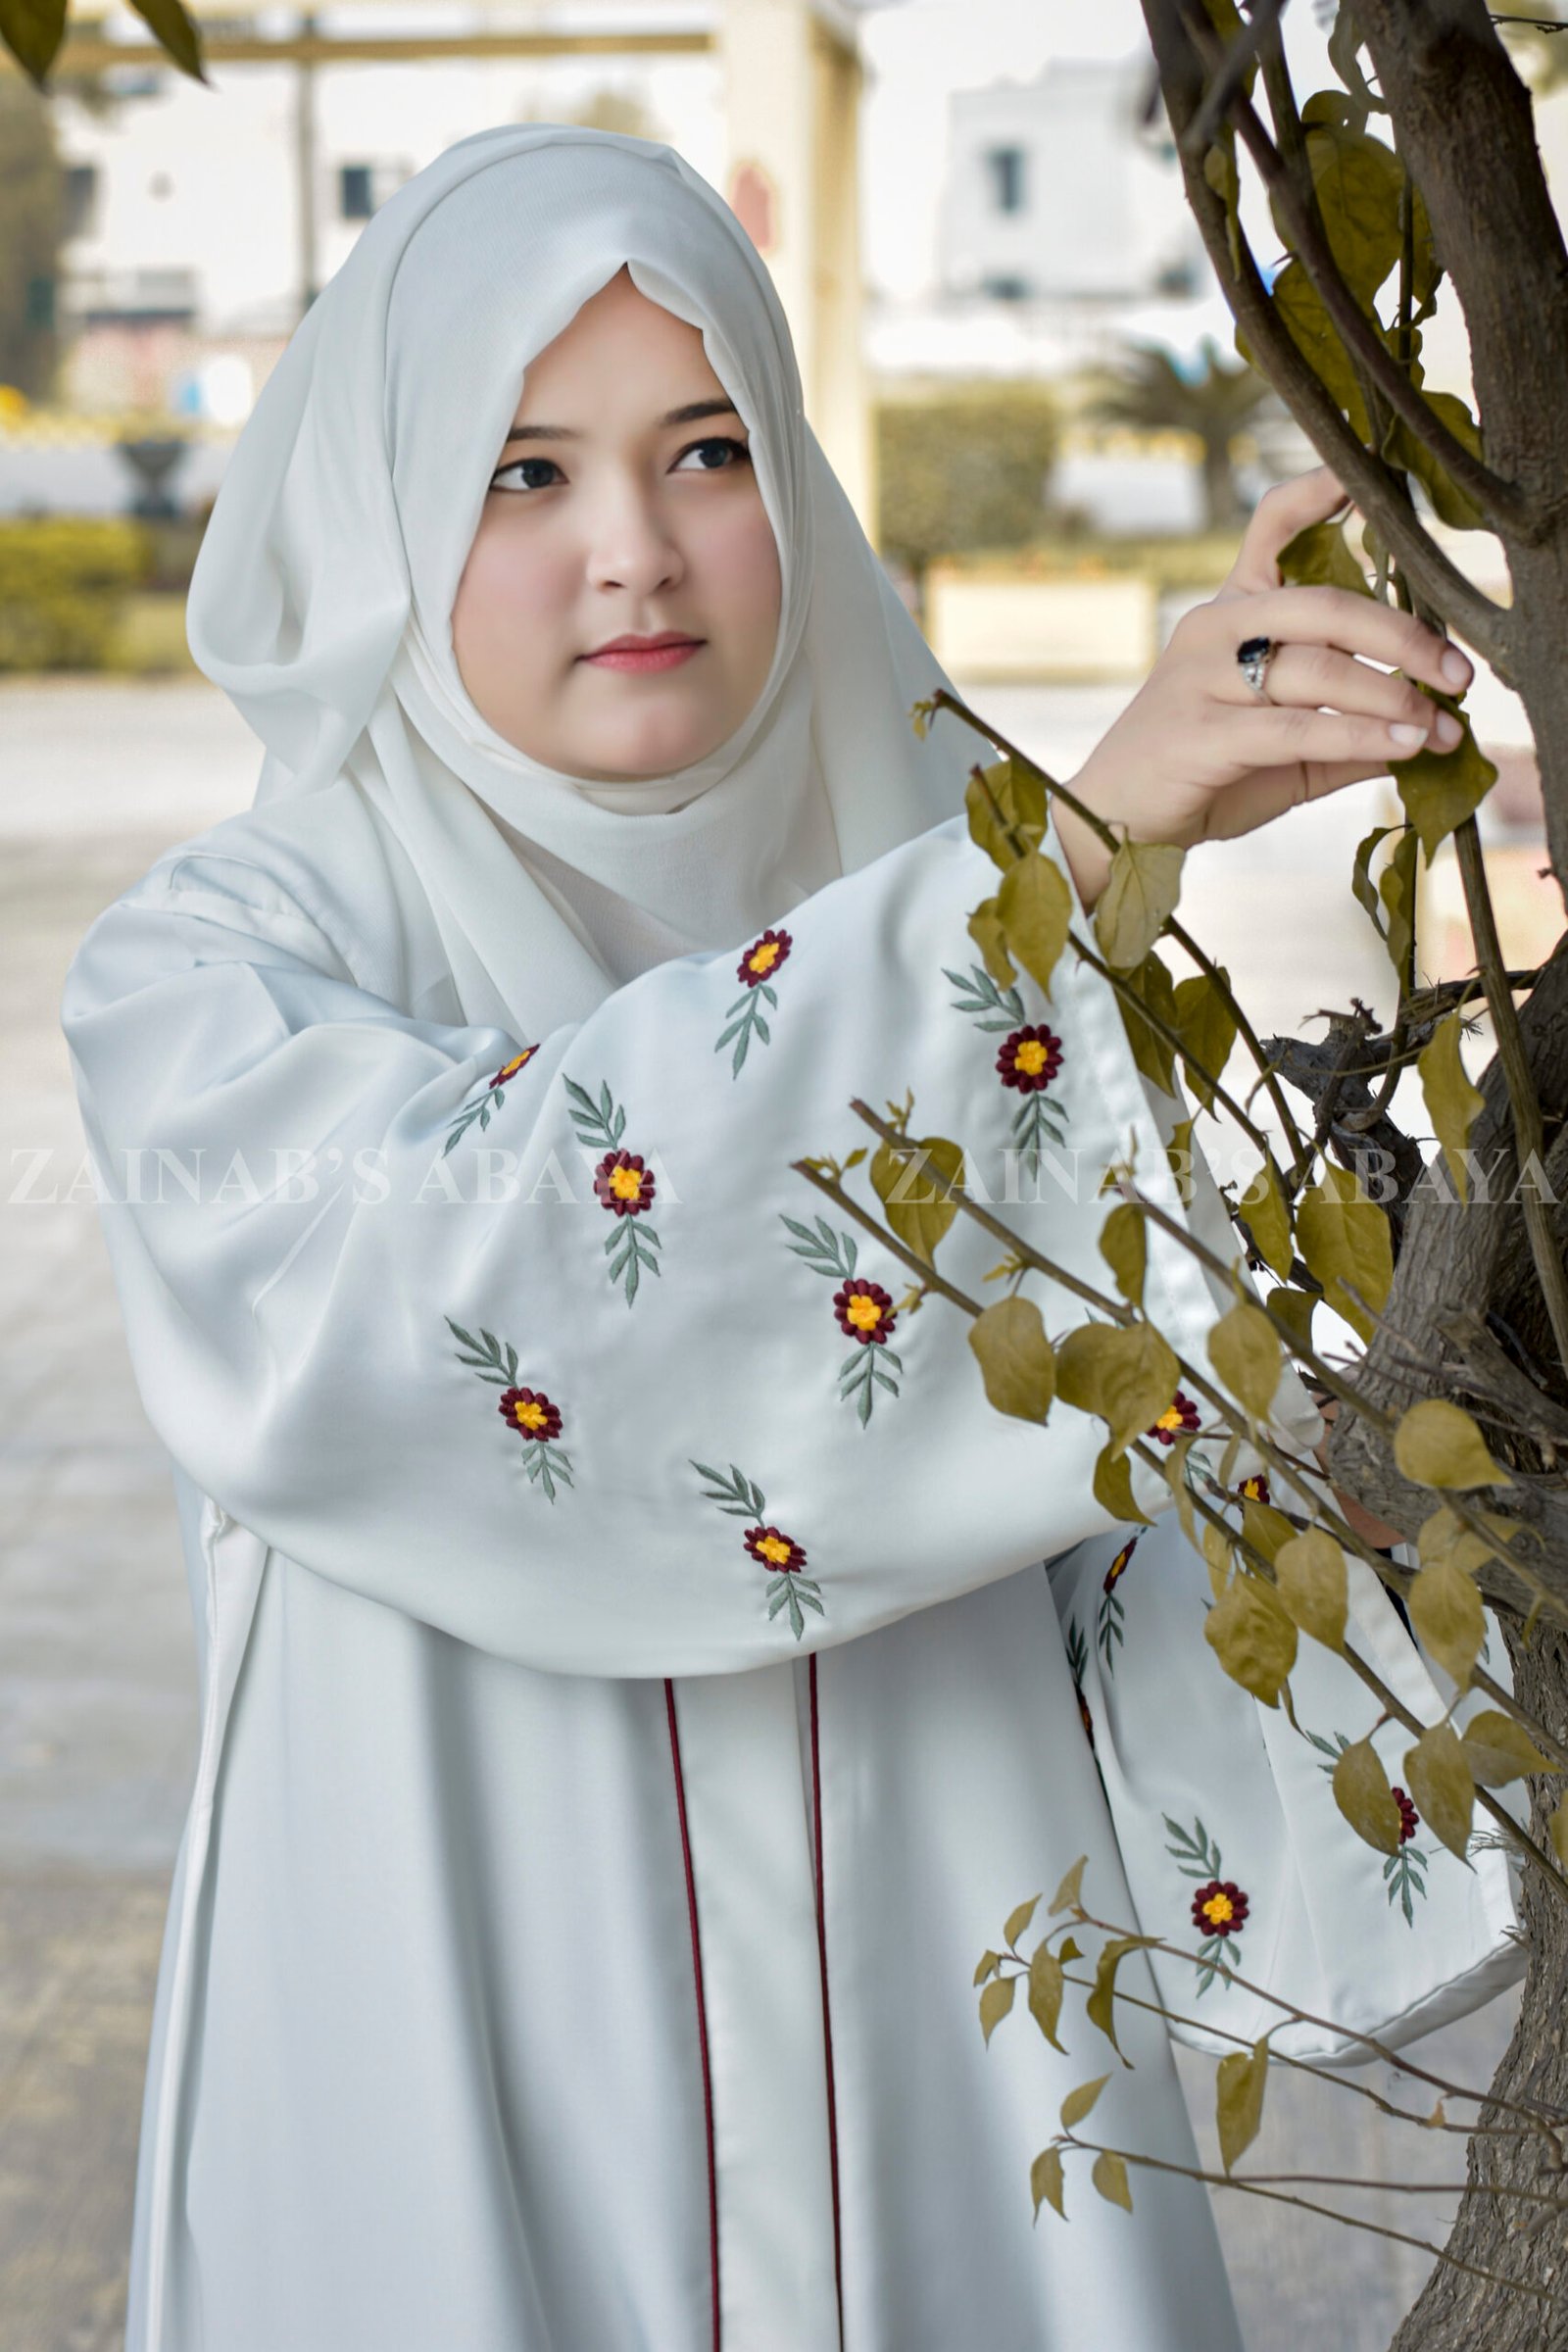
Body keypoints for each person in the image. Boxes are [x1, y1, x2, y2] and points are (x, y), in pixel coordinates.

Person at [61, 126, 1521, 2352]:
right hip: (461, 2088)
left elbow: (1160, 1521)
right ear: (379, 520)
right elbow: (475, 1277)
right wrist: (1050, 871)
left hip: (943, 2071)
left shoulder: (949, 904)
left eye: (705, 448)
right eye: (520, 473)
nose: (633, 555)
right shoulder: (216, 971)